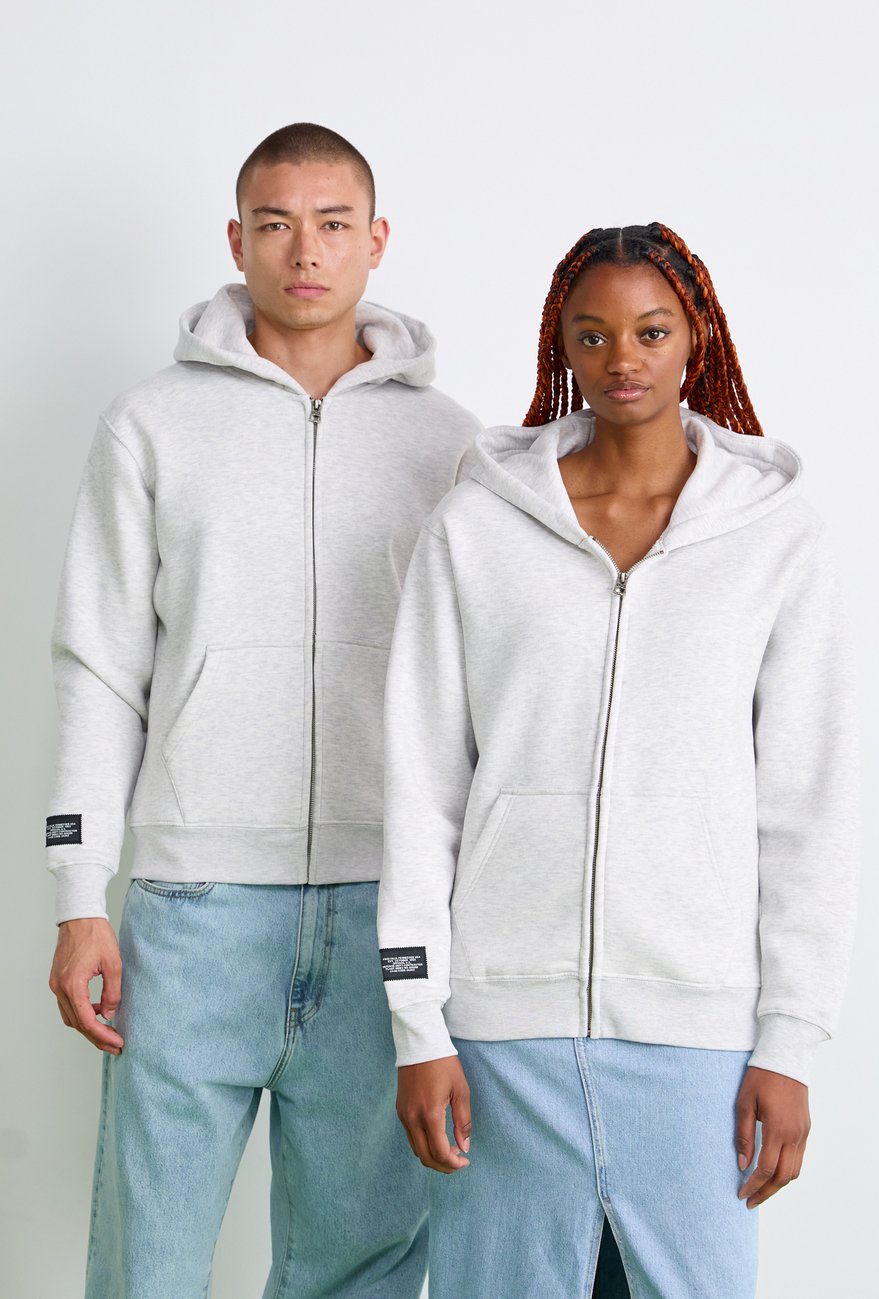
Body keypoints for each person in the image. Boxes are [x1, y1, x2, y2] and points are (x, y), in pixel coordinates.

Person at [377, 224, 859, 1299]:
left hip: (698, 1041)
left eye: (650, 331)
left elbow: (808, 809)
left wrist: (788, 1044)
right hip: (500, 1034)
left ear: (697, 339)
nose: (621, 359)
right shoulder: (477, 527)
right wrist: (418, 1026)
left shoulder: (775, 538)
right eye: (591, 335)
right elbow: (421, 786)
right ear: (562, 347)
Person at [45, 122, 484, 1299]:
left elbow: (478, 694)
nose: (306, 251)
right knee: (148, 1264)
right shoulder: (151, 425)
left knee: (360, 1269)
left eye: (333, 224)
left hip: (384, 912)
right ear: (236, 240)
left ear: (376, 240)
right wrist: (80, 896)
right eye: (276, 224)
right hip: (193, 913)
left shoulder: (451, 445)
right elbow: (98, 666)